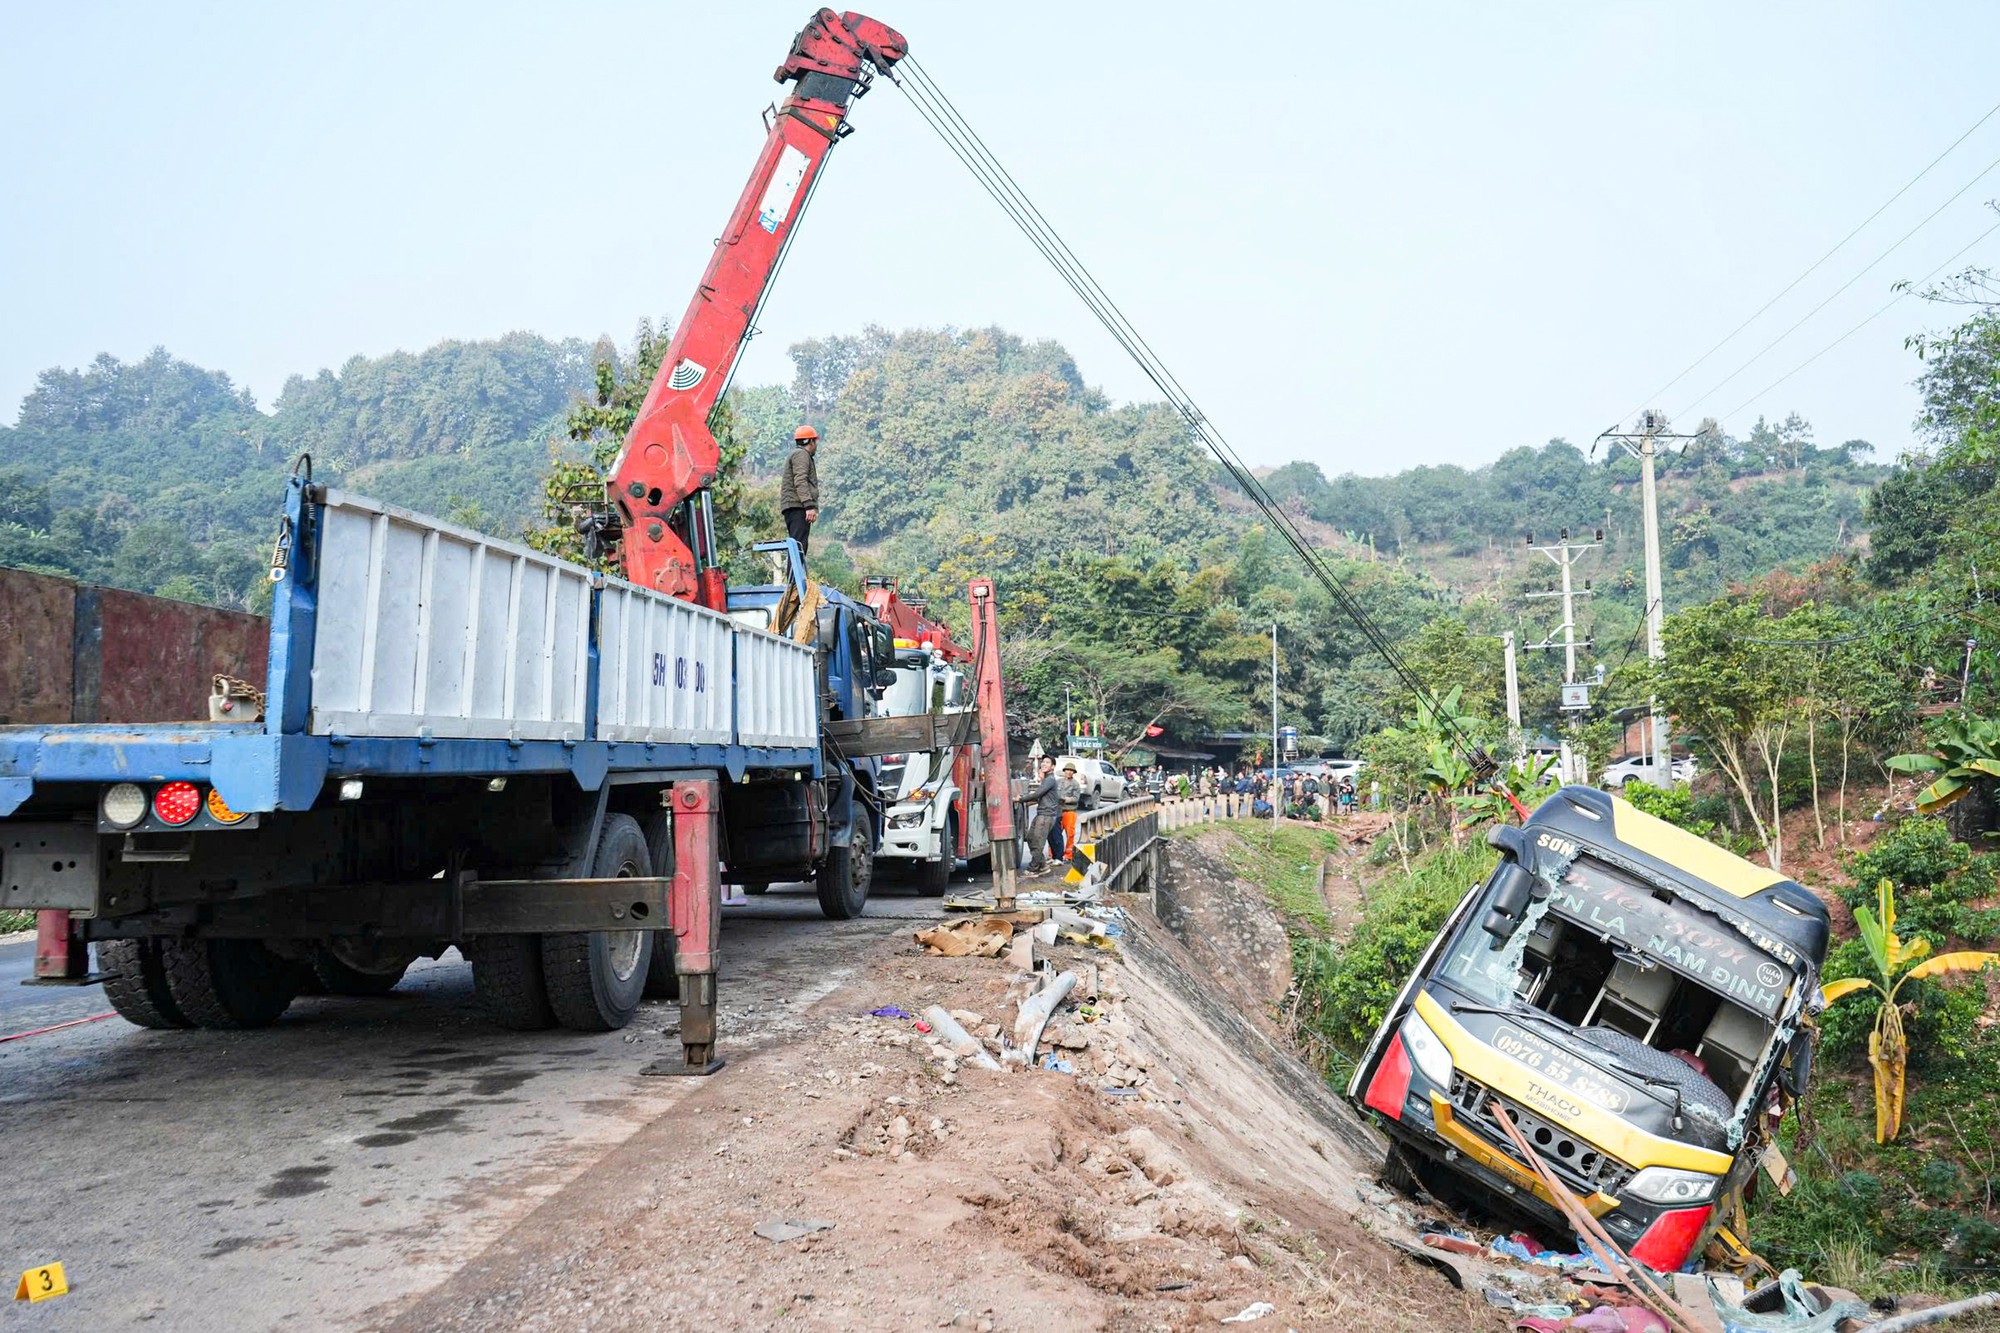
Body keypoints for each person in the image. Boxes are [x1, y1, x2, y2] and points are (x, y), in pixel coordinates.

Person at [780, 424, 821, 557]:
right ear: (810, 441)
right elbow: (800, 481)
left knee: (799, 546)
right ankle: (793, 578)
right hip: (798, 507)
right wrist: (809, 505)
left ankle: (794, 576)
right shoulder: (801, 455)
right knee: (798, 546)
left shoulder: (799, 455)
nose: (816, 445)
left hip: (796, 506)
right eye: (815, 441)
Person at [1024, 756, 1061, 875]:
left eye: (1047, 762)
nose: (1044, 764)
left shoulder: (1050, 780)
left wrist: (1021, 799)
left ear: (1053, 767)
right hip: (1041, 813)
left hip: (1046, 815)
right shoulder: (1046, 780)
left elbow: (1037, 794)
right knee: (1030, 838)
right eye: (1043, 762)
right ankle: (1043, 865)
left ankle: (1033, 868)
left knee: (1038, 842)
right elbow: (1042, 797)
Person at [1058, 759, 1085, 861]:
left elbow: (1076, 798)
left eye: (1071, 770)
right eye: (1067, 770)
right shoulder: (1058, 782)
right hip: (1059, 811)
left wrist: (1066, 799)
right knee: (1055, 834)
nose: (1069, 772)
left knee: (1070, 834)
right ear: (1064, 771)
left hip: (1070, 811)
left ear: (1073, 772)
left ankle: (1069, 855)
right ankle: (1054, 855)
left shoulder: (1075, 784)